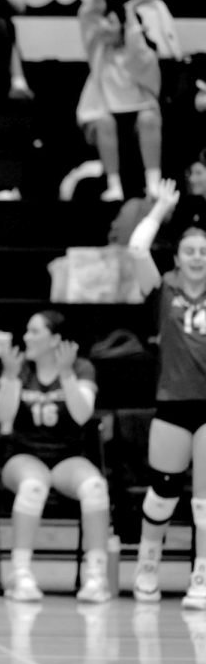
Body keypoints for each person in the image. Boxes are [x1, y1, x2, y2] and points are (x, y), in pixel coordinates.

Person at [0, 310, 112, 603]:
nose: (26, 337)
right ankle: (20, 574)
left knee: (95, 487)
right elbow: (2, 416)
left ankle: (96, 576)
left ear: (55, 338)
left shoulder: (81, 367)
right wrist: (8, 376)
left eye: (35, 332)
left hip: (67, 457)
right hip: (22, 455)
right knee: (34, 484)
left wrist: (67, 374)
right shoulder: (20, 368)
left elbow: (82, 415)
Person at [128, 179, 206, 609]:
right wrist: (159, 209)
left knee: (204, 500)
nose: (198, 258)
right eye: (191, 251)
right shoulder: (164, 291)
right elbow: (137, 251)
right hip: (173, 401)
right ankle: (148, 564)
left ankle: (201, 576)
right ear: (177, 257)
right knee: (163, 492)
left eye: (204, 252)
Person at [76, 0, 162, 202]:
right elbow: (86, 17)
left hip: (137, 112)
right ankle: (114, 186)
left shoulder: (141, 56)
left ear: (125, 26)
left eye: (111, 22)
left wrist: (131, 10)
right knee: (104, 121)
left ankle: (153, 184)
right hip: (105, 112)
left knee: (149, 117)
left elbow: (135, 40)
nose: (104, 26)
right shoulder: (98, 49)